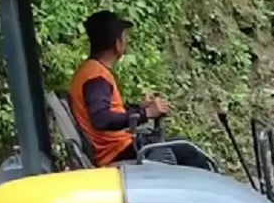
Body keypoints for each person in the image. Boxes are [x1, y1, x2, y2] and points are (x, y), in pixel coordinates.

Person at [67, 10, 212, 169]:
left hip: (119, 147)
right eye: (124, 37)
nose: (126, 41)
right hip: (117, 152)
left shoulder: (90, 71)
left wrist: (140, 108)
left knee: (182, 147)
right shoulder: (96, 77)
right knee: (189, 153)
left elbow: (108, 110)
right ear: (117, 43)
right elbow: (101, 119)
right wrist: (146, 114)